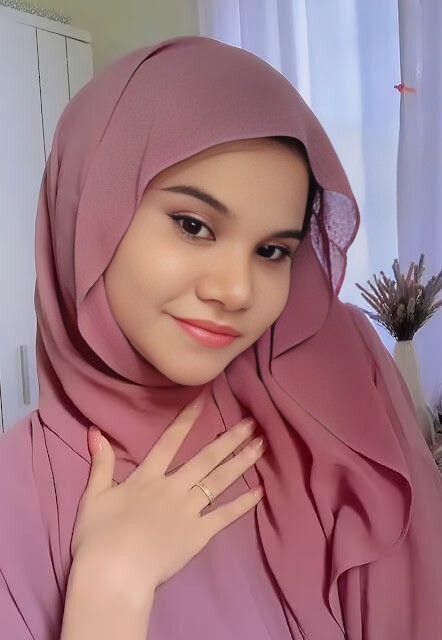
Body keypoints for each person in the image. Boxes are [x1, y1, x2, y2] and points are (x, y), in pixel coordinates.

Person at [0, 34, 441, 640]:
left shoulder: (325, 389)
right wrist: (109, 593)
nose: (236, 290)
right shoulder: (18, 493)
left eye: (272, 251)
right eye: (193, 225)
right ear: (91, 209)